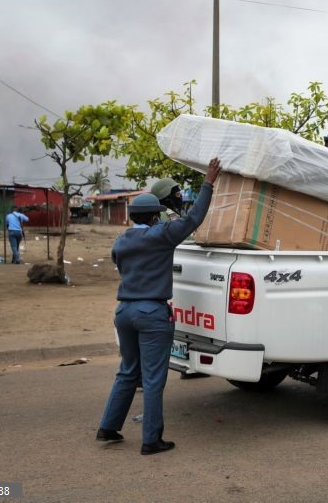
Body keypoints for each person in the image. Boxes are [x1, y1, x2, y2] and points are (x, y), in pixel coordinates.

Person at [97, 158, 221, 456]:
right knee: (153, 379)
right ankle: (151, 440)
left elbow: (120, 267)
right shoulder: (162, 236)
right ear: (155, 216)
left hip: (124, 312)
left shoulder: (121, 240)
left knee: (128, 371)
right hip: (152, 313)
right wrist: (209, 182)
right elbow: (193, 219)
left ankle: (108, 427)